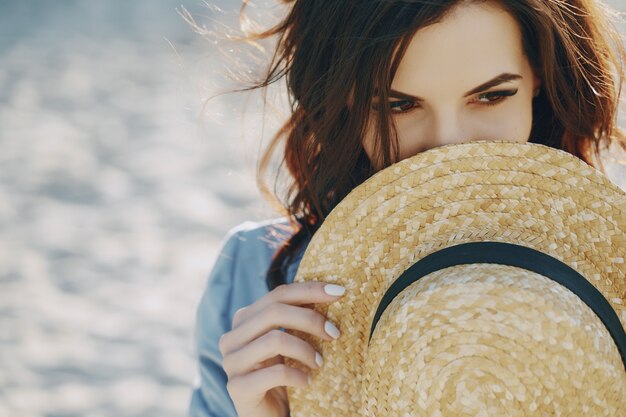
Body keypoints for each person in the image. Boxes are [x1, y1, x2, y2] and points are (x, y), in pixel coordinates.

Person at [187, 1, 626, 416]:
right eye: (398, 105)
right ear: (341, 102)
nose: (448, 146)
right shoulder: (250, 279)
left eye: (491, 96)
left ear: (539, 80)